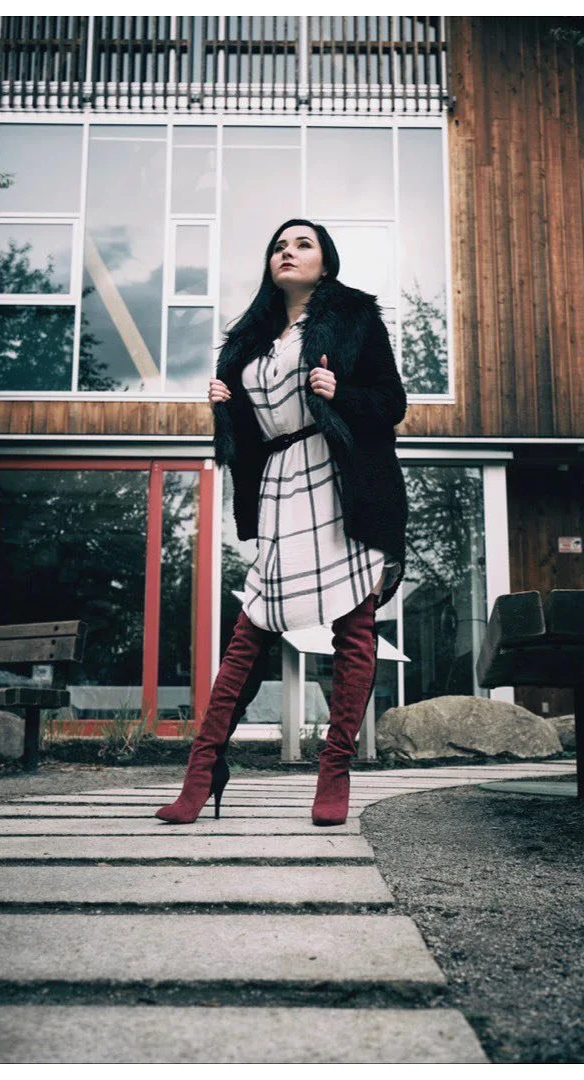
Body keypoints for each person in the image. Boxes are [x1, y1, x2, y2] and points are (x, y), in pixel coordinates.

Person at [156, 218, 408, 827]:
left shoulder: (354, 319)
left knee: (354, 628)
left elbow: (391, 404)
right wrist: (227, 411)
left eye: (303, 244)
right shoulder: (250, 337)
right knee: (250, 633)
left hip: (341, 481)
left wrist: (339, 390)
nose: (287, 253)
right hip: (279, 487)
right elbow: (249, 438)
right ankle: (202, 771)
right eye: (278, 245)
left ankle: (334, 771)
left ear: (327, 261)